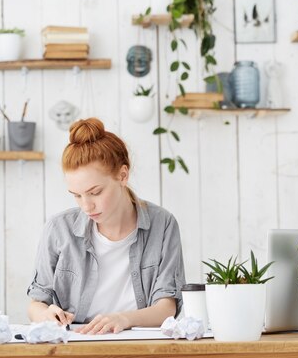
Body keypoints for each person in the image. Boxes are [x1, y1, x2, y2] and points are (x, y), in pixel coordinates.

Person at [27, 118, 186, 334]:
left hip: (141, 347)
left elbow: (167, 307)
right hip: (75, 347)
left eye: (95, 192)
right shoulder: (58, 229)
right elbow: (36, 303)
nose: (86, 205)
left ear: (122, 175)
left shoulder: (163, 224)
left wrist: (123, 319)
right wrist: (44, 314)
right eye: (77, 196)